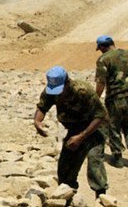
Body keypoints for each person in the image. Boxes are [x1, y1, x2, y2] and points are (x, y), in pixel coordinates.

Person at [34, 66, 109, 199]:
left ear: (67, 82)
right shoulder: (51, 91)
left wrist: (81, 136)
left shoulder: (82, 90)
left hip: (94, 128)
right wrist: (37, 122)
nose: (58, 94)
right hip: (74, 128)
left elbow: (101, 115)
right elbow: (42, 106)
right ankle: (67, 196)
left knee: (94, 161)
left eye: (60, 90)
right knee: (65, 167)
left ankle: (101, 197)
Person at [94, 35, 128, 165]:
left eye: (100, 48)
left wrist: (96, 99)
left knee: (114, 126)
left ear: (102, 47)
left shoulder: (103, 59)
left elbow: (101, 83)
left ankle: (117, 156)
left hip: (115, 98)